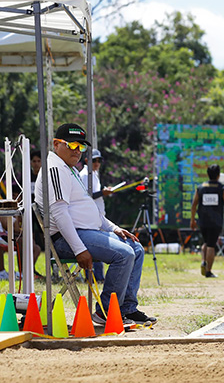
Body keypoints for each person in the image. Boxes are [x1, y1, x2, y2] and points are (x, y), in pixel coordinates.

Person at [35, 123, 156, 325]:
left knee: (136, 248)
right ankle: (106, 312)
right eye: (72, 145)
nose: (77, 151)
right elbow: (59, 213)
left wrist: (114, 228)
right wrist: (79, 249)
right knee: (124, 254)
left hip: (86, 232)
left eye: (81, 147)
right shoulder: (55, 168)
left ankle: (126, 309)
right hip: (68, 238)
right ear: (56, 144)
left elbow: (90, 211)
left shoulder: (69, 169)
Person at [190, 164, 224, 278]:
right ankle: (208, 271)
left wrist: (192, 220)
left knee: (206, 242)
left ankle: (203, 260)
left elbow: (194, 204)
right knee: (211, 245)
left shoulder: (200, 187)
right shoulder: (221, 187)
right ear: (218, 175)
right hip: (216, 221)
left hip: (203, 220)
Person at [79, 148, 111, 282]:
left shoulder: (93, 174)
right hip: (90, 216)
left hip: (97, 215)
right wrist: (103, 193)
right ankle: (94, 277)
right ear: (87, 161)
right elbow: (86, 195)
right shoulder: (86, 174)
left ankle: (98, 277)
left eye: (99, 160)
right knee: (96, 247)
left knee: (99, 246)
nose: (97, 163)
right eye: (94, 160)